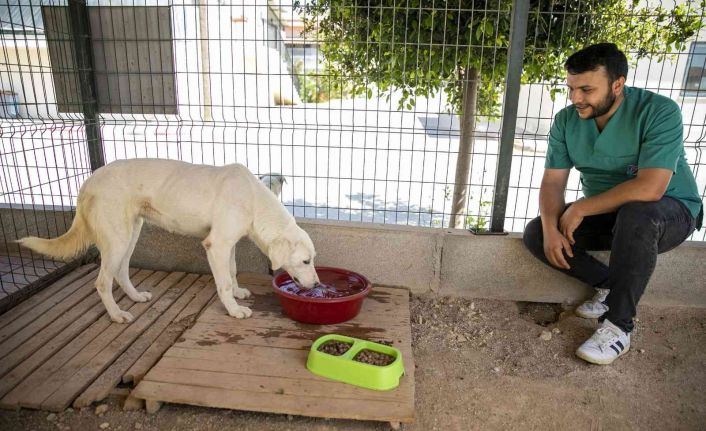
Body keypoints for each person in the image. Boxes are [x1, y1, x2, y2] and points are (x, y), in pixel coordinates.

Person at [523, 43, 703, 365]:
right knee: (537, 232)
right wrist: (551, 228)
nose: (576, 98)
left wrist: (580, 208)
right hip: (608, 212)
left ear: (617, 85)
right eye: (571, 88)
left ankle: (618, 327)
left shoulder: (659, 111)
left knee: (638, 215)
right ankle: (609, 287)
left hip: (669, 211)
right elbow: (552, 182)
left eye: (587, 89)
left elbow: (651, 188)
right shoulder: (566, 121)